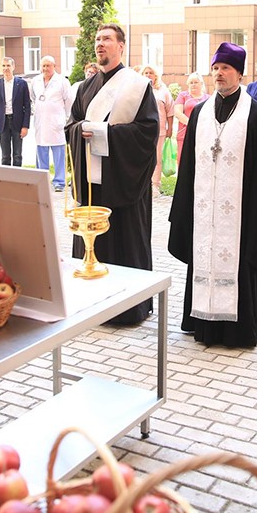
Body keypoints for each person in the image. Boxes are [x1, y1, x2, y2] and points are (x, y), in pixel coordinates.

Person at [168, 42, 257, 348]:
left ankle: (239, 329)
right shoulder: (201, 113)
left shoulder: (255, 116)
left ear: (239, 73)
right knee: (203, 254)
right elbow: (189, 166)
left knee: (239, 262)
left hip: (241, 215)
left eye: (226, 69)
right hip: (204, 209)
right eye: (216, 68)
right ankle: (201, 322)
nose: (219, 74)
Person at [65, 23, 159, 325]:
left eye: (107, 39)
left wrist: (104, 133)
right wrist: (82, 130)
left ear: (121, 46)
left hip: (123, 183)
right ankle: (91, 305)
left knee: (124, 243)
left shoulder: (137, 86)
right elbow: (71, 126)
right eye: (97, 39)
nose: (100, 44)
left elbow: (147, 132)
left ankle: (128, 308)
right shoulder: (84, 87)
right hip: (93, 184)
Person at [32, 55, 73, 192]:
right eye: (43, 66)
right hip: (41, 123)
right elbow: (34, 98)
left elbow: (69, 102)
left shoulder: (62, 81)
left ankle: (59, 182)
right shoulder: (35, 81)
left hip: (57, 123)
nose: (45, 68)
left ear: (54, 67)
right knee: (41, 152)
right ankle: (42, 181)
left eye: (48, 65)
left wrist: (65, 118)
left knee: (59, 154)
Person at [0, 57, 30, 167]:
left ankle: (17, 180)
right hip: (3, 123)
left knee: (17, 155)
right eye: (3, 66)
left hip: (17, 121)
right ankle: (6, 181)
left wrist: (25, 126)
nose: (6, 68)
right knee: (5, 155)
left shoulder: (21, 84)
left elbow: (27, 106)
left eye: (8, 65)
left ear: (13, 67)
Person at [142, 64, 174, 194]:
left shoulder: (163, 91)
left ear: (156, 76)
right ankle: (144, 184)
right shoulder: (140, 89)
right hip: (142, 130)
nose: (148, 75)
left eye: (151, 73)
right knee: (143, 158)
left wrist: (170, 128)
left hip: (159, 130)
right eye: (146, 73)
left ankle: (155, 184)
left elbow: (170, 110)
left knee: (157, 158)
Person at [173, 73, 209, 164]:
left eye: (196, 82)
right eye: (191, 82)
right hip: (184, 133)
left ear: (201, 84)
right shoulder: (183, 96)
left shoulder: (208, 98)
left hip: (203, 133)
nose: (193, 84)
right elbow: (178, 112)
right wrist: (192, 125)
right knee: (182, 160)